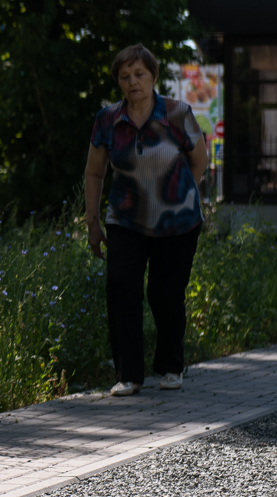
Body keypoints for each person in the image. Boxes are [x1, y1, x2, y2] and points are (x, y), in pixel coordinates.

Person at [84, 44, 210, 397]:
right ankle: (129, 375)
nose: (132, 81)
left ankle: (171, 365)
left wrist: (182, 193)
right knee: (122, 287)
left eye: (139, 74)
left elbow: (199, 160)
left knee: (165, 293)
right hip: (126, 220)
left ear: (153, 76)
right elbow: (94, 174)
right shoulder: (107, 119)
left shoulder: (177, 113)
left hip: (178, 222)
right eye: (124, 76)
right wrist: (93, 223)